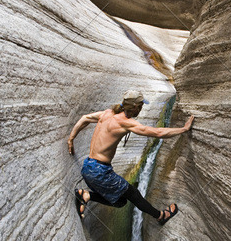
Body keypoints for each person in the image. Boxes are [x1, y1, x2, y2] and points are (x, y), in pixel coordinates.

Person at [68, 89, 194, 225]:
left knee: (120, 201)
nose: (141, 109)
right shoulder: (126, 122)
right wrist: (183, 129)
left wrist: (71, 138)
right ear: (135, 107)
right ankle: (161, 216)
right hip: (100, 172)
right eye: (141, 106)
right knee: (133, 193)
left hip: (88, 167)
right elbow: (157, 132)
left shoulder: (106, 113)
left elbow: (85, 118)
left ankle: (86, 195)